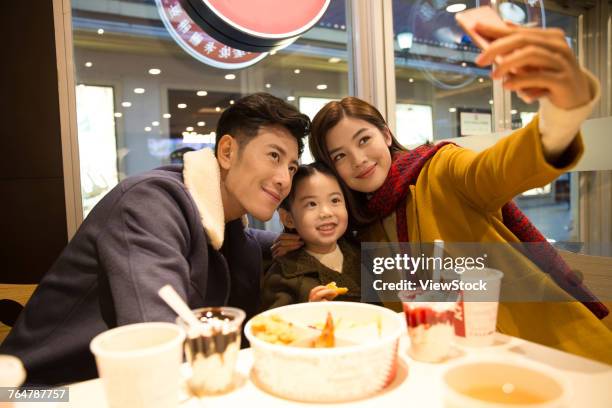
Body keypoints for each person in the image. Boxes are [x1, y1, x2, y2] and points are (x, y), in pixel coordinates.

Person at [300, 24, 612, 363]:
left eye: (364, 140)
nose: (358, 160)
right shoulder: (364, 224)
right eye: (340, 156)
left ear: (386, 134)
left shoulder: (441, 169)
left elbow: (498, 168)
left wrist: (561, 112)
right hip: (445, 368)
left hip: (538, 353)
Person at [0, 93, 310, 385]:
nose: (284, 178)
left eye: (293, 167)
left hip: (122, 389)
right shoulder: (150, 202)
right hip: (40, 391)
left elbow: (259, 241)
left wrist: (311, 233)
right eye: (273, 156)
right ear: (227, 152)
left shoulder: (229, 228)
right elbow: (157, 336)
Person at [260, 163, 361, 310]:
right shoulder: (282, 276)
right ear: (289, 219)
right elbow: (273, 326)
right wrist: (309, 311)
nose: (326, 212)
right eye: (311, 204)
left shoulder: (361, 253)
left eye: (335, 200)